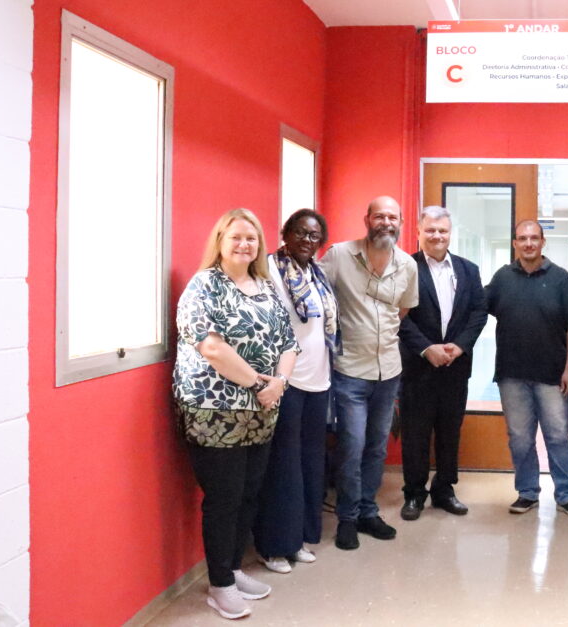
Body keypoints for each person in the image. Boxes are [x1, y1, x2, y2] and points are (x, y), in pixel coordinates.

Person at [173, 208, 298, 620]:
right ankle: (219, 586)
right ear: (220, 242)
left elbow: (288, 342)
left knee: (249, 492)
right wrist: (260, 385)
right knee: (224, 498)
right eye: (236, 237)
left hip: (261, 411)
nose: (245, 244)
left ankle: (231, 568)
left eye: (252, 238)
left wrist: (279, 381)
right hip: (215, 411)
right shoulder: (203, 286)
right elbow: (211, 347)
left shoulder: (264, 286)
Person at [319, 196, 418, 550]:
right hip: (350, 371)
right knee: (352, 446)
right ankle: (346, 518)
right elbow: (316, 298)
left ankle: (367, 511)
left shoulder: (407, 265)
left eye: (393, 217)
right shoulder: (339, 256)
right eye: (380, 216)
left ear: (401, 222)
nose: (386, 222)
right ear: (367, 219)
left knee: (376, 449)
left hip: (388, 371)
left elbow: (403, 310)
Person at [253, 209, 339, 573]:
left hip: (318, 380)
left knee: (308, 463)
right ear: (285, 233)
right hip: (284, 381)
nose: (308, 240)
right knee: (283, 465)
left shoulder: (314, 273)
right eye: (301, 233)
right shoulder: (270, 270)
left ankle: (300, 538)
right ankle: (274, 546)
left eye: (315, 235)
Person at [486, 220, 568, 518]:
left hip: (552, 375)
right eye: (522, 238)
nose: (528, 243)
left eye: (534, 238)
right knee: (519, 438)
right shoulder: (502, 278)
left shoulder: (561, 279)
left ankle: (567, 495)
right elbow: (480, 308)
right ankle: (527, 492)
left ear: (543, 242)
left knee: (558, 436)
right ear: (514, 243)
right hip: (512, 374)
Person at [398, 206, 488, 520]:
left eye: (443, 231)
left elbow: (479, 312)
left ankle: (445, 490)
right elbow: (399, 316)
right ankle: (413, 494)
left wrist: (460, 346)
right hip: (418, 367)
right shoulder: (404, 267)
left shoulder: (468, 270)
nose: (437, 236)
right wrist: (426, 348)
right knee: (415, 433)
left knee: (451, 432)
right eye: (431, 230)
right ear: (419, 232)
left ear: (451, 234)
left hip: (455, 367)